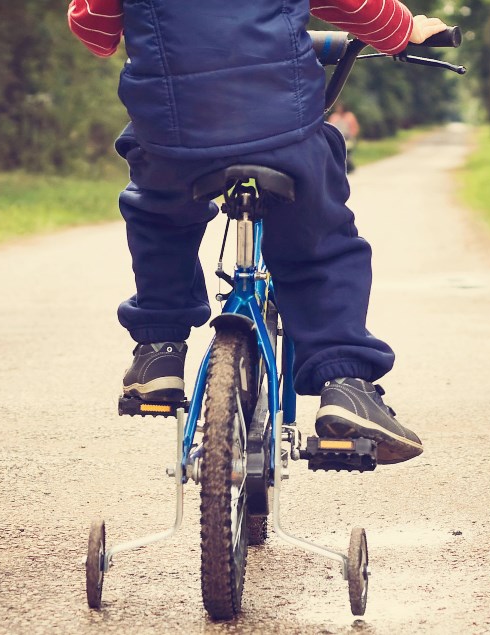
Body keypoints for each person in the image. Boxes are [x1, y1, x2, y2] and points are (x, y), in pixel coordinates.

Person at [67, 0, 447, 464]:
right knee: (322, 246)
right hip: (282, 133)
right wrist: (403, 30)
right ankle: (346, 383)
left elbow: (95, 32)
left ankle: (159, 349)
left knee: (159, 217)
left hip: (172, 138)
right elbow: (360, 8)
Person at [327, 102, 360, 173]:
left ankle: (349, 167)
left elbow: (355, 128)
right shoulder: (334, 117)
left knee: (347, 152)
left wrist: (352, 135)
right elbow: (330, 128)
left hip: (348, 138)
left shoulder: (349, 116)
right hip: (337, 138)